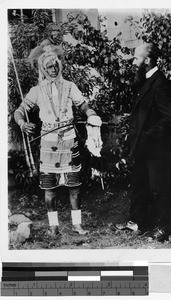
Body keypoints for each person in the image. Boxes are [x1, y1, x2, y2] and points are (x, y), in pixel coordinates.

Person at [14, 40, 102, 236]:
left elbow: (84, 104)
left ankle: (77, 225)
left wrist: (92, 115)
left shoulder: (70, 87)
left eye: (56, 65)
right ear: (43, 69)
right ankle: (53, 227)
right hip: (48, 143)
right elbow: (18, 112)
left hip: (69, 140)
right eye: (49, 67)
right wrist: (22, 123)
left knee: (75, 186)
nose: (53, 69)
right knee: (49, 189)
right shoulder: (36, 91)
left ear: (60, 65)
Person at [126, 43, 171, 242]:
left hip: (155, 147)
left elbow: (170, 118)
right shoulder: (145, 80)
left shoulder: (161, 84)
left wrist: (148, 135)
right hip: (142, 146)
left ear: (147, 61)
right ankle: (141, 224)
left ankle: (166, 227)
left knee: (160, 187)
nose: (133, 62)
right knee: (139, 186)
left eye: (136, 59)